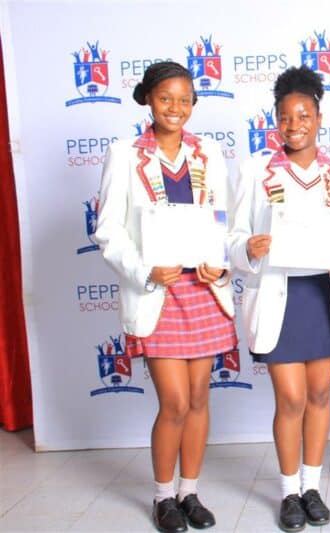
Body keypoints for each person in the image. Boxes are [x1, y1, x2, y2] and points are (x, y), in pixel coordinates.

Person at [95, 61, 236, 533]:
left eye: (184, 99)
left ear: (193, 103)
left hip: (203, 289)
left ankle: (188, 492)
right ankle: (162, 496)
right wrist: (144, 271)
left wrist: (221, 261)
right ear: (148, 100)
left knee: (198, 398)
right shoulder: (123, 154)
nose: (175, 107)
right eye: (165, 98)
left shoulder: (208, 152)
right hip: (158, 291)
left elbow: (222, 219)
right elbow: (108, 230)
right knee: (174, 402)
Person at [228, 66, 330, 532]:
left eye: (304, 116)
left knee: (320, 394)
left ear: (319, 119)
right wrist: (249, 247)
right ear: (276, 121)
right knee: (290, 398)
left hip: (322, 295)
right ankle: (288, 492)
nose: (294, 125)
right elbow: (234, 237)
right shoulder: (254, 170)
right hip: (278, 296)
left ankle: (311, 487)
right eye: (285, 117)